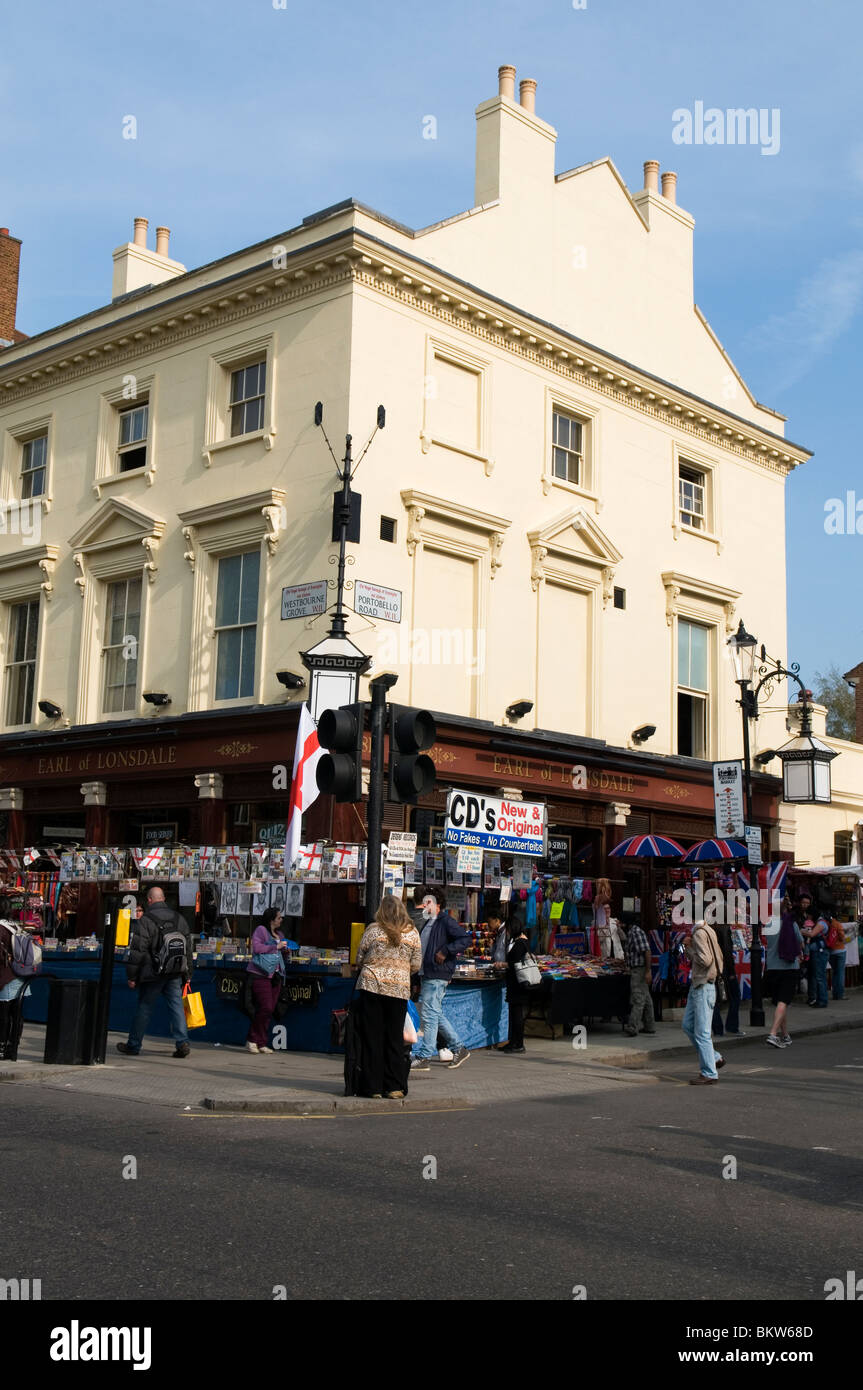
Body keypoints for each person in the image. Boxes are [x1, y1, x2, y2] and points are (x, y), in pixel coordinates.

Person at [354, 896, 422, 1098]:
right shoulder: (412, 932)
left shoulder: (373, 930)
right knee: (394, 1038)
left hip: (372, 986)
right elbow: (416, 964)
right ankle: (393, 1086)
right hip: (398, 990)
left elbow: (359, 958)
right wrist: (400, 972)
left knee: (372, 1038)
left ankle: (373, 1087)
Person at [117, 886, 194, 1058]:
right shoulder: (179, 918)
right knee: (176, 1007)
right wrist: (188, 975)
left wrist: (132, 976)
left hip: (152, 972)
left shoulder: (146, 920)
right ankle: (182, 1042)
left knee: (144, 1007)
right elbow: (188, 949)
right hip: (174, 971)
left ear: (149, 900)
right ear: (164, 898)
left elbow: (138, 951)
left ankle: (134, 1045)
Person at [410, 887, 472, 1072]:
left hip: (437, 973)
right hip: (428, 973)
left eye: (429, 902)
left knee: (429, 1015)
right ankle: (458, 1048)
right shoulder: (430, 922)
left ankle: (425, 1055)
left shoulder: (445, 921)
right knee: (434, 1014)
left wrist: (445, 951)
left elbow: (464, 939)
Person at [681, 919, 725, 1084]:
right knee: (687, 1025)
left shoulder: (699, 933)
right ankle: (714, 1058)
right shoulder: (709, 930)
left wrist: (689, 949)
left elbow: (705, 960)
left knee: (702, 1032)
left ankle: (709, 1072)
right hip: (700, 985)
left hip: (703, 985)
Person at [245, 906, 290, 1054]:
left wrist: (285, 950)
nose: (281, 919)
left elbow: (280, 954)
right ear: (271, 920)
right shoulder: (261, 930)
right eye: (279, 917)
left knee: (269, 1010)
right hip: (260, 973)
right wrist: (275, 946)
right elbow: (257, 948)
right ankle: (252, 1039)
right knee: (265, 1007)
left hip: (275, 976)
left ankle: (261, 1041)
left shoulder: (280, 934)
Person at [764, 899, 804, 1048]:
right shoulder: (791, 924)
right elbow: (800, 942)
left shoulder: (768, 924)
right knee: (783, 1001)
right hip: (788, 967)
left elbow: (768, 942)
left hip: (773, 967)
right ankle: (773, 1034)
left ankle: (785, 1035)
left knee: (781, 1003)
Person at [0, 917, 41, 1061]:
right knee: (16, 1014)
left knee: (3, 1015)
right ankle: (13, 1048)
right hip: (20, 976)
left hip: (7, 977)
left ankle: (2, 1048)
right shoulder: (14, 925)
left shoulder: (0, 928)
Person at [619, 913, 656, 1037]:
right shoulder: (631, 932)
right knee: (646, 997)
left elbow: (647, 951)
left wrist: (648, 971)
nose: (620, 924)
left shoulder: (635, 932)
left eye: (622, 922)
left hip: (639, 970)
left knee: (638, 998)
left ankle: (632, 1026)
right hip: (638, 969)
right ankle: (650, 1026)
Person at [500, 918, 531, 1054]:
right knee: (514, 1014)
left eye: (508, 929)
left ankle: (518, 1043)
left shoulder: (520, 944)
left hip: (518, 984)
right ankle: (513, 1042)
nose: (507, 932)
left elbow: (515, 964)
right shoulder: (522, 942)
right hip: (517, 984)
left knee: (516, 1014)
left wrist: (501, 965)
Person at [711, 919, 744, 1038]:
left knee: (714, 999)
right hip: (724, 967)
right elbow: (727, 951)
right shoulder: (724, 928)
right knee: (735, 995)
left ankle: (717, 1029)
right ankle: (731, 1026)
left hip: (713, 967)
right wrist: (731, 971)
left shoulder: (710, 928)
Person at [802, 908, 829, 1008]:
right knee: (817, 976)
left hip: (820, 952)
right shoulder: (819, 922)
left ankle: (822, 1000)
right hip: (817, 952)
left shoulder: (821, 923)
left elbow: (812, 934)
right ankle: (819, 999)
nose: (807, 917)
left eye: (808, 915)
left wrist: (800, 930)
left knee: (820, 977)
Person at [825, 906, 847, 1001]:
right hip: (840, 951)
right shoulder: (838, 924)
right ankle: (840, 995)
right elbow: (842, 937)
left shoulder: (827, 924)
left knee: (834, 973)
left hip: (831, 952)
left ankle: (835, 994)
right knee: (840, 973)